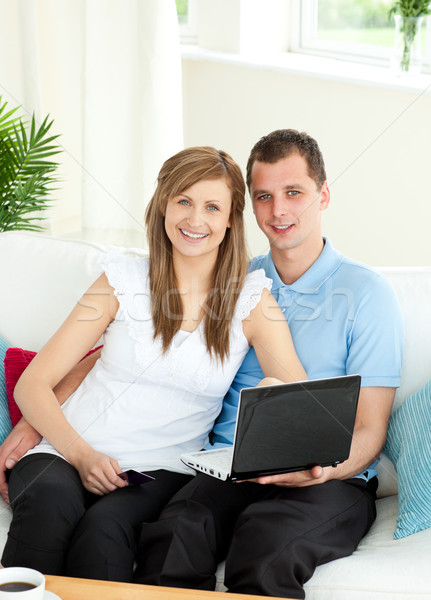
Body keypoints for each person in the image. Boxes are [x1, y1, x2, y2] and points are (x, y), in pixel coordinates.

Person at [0, 145, 306, 580]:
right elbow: (33, 384)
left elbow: (300, 401)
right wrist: (82, 455)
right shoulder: (119, 281)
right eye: (183, 200)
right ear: (163, 204)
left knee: (103, 533)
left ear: (230, 220)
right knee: (49, 508)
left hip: (161, 471)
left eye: (212, 207)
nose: (195, 219)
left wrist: (274, 403)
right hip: (64, 451)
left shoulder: (252, 302)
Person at [130, 130, 404, 598]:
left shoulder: (366, 293)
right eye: (264, 197)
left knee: (266, 547)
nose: (279, 211)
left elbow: (370, 428)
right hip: (227, 467)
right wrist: (36, 417)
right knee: (173, 537)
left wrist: (322, 469)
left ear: (324, 195)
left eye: (293, 193)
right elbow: (133, 347)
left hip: (329, 479)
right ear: (250, 208)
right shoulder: (234, 279)